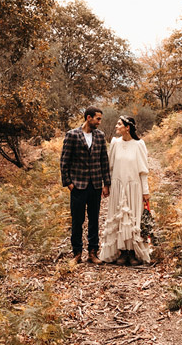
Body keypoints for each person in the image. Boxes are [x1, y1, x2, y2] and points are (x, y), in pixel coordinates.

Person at [60, 106, 110, 264]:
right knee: (77, 220)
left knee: (94, 219)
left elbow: (104, 161)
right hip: (78, 185)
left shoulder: (100, 136)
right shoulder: (72, 135)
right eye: (98, 119)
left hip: (95, 185)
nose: (99, 122)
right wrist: (68, 183)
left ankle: (93, 253)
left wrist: (106, 183)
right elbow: (64, 161)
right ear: (89, 118)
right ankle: (77, 253)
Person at [99, 115, 151, 266]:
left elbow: (143, 170)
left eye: (119, 124)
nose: (116, 126)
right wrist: (106, 185)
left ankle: (133, 252)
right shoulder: (115, 144)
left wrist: (145, 191)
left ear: (127, 127)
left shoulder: (139, 144)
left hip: (134, 186)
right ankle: (122, 252)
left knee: (133, 218)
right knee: (119, 218)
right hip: (118, 185)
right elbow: (110, 166)